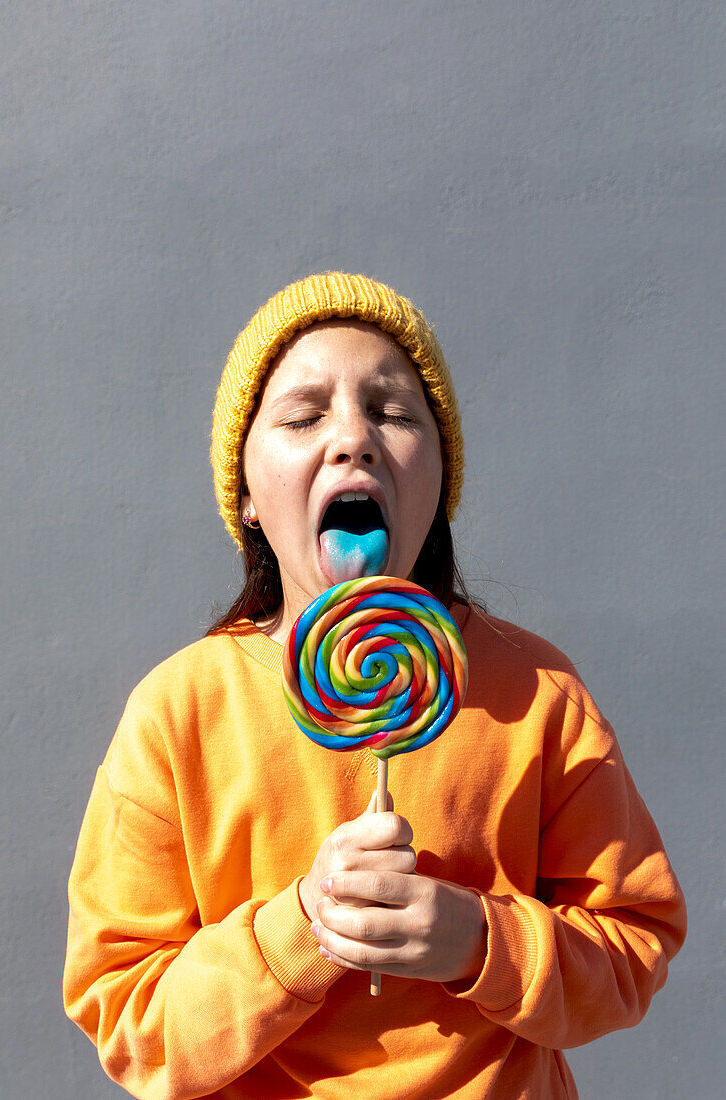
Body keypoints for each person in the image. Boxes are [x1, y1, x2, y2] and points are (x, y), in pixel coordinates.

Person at [63, 272, 686, 1099]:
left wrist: (480, 941)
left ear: (438, 482)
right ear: (247, 494)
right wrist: (301, 924)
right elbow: (129, 1022)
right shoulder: (178, 714)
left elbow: (633, 948)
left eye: (393, 412)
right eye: (303, 414)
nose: (353, 438)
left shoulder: (536, 693)